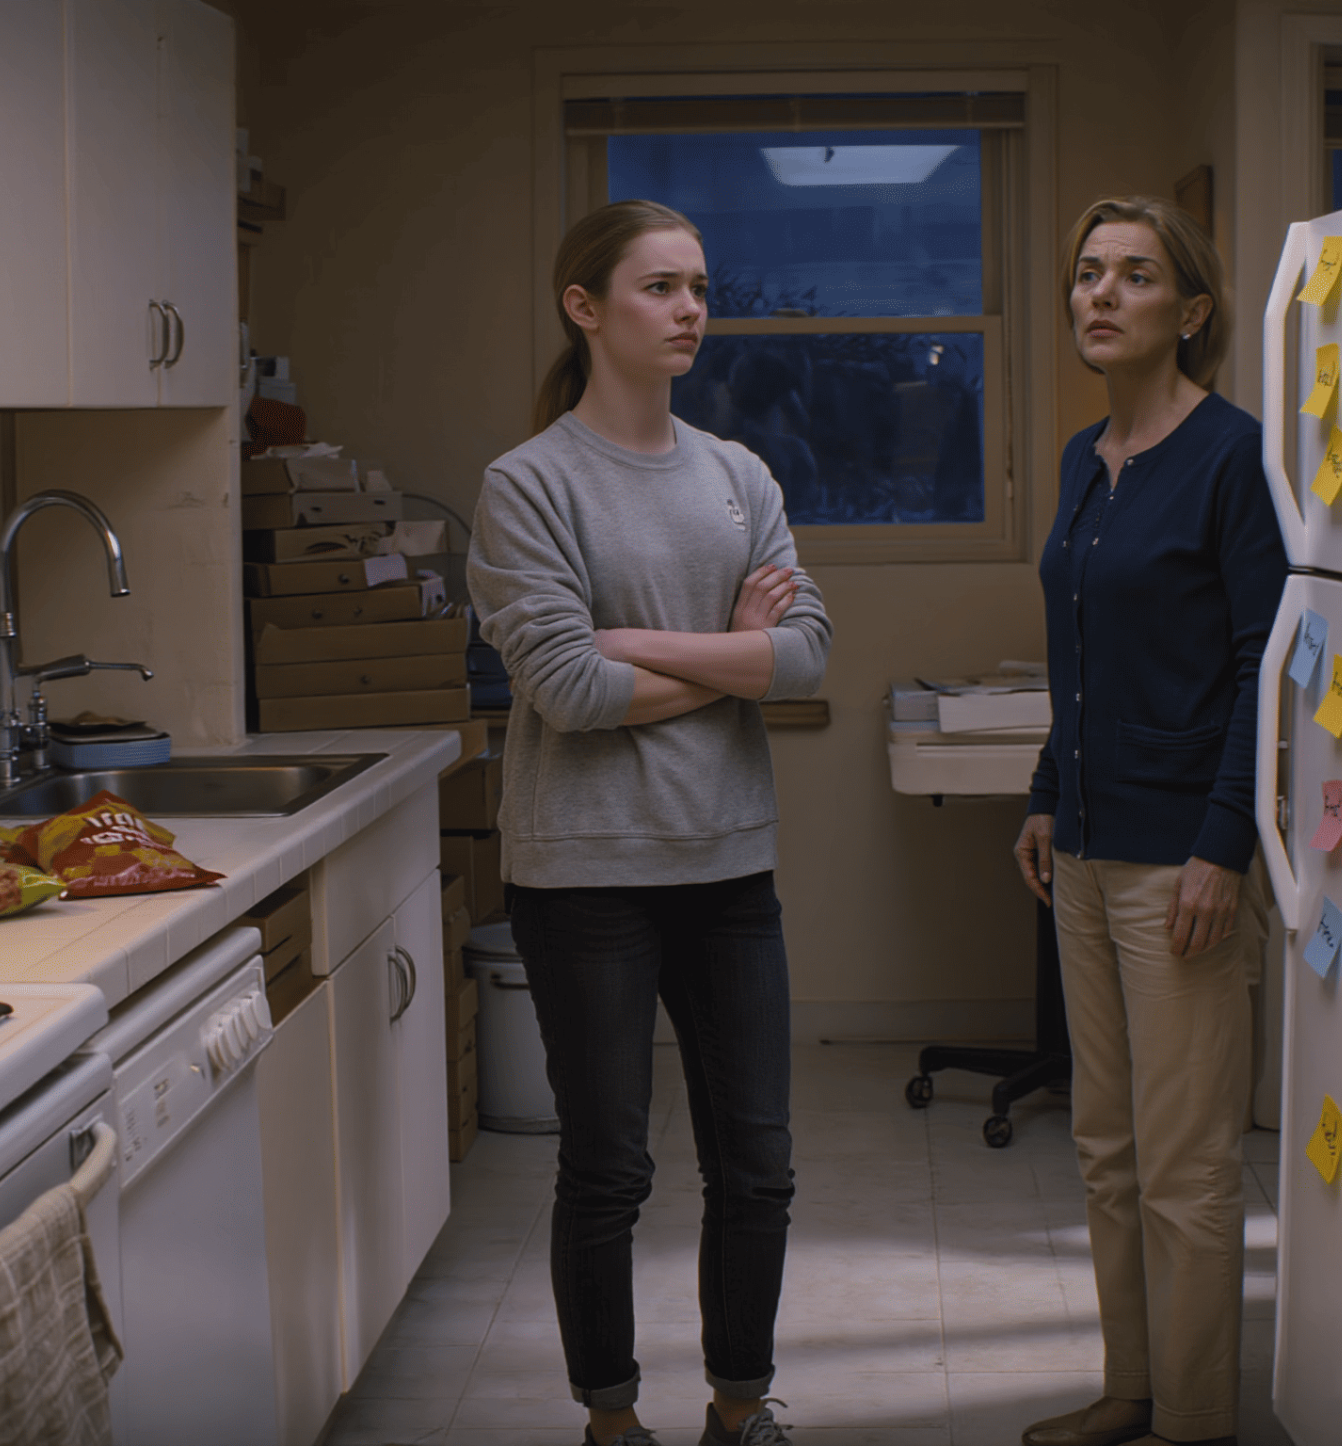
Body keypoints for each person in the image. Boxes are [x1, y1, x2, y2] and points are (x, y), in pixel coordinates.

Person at [468, 199, 832, 1446]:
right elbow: (567, 694)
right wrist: (734, 648)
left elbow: (807, 660)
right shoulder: (528, 487)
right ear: (586, 308)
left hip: (730, 868)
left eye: (698, 288)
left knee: (758, 1166)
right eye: (658, 288)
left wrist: (653, 645)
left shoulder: (740, 476)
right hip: (585, 881)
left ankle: (739, 1409)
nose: (688, 310)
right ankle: (612, 1422)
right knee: (609, 1169)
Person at [1011, 196, 1287, 1446]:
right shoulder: (1083, 458)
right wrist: (1044, 791)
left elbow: (1261, 668)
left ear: (1190, 310)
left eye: (1133, 275)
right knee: (1106, 1150)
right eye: (1086, 274)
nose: (1100, 294)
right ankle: (1129, 1390)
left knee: (1186, 1172)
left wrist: (1221, 846)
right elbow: (1082, 654)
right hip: (1080, 854)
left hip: (1181, 863)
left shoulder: (1234, 456)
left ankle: (1196, 1419)